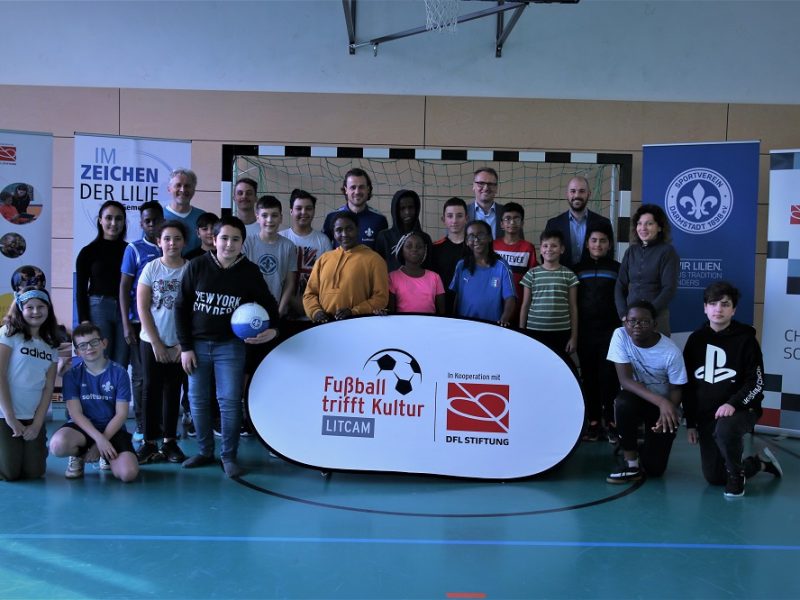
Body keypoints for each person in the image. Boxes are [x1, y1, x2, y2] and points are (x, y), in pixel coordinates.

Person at [175, 216, 280, 478]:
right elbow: (180, 307)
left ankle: (229, 456)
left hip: (230, 347)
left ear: (243, 242)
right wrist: (185, 347)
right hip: (197, 346)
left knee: (229, 402)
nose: (229, 244)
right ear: (213, 238)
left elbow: (270, 305)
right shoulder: (196, 266)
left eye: (235, 239)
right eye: (224, 238)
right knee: (197, 401)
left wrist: (273, 330)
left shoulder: (250, 271)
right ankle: (204, 451)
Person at [683, 281, 783, 497]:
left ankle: (737, 480)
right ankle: (759, 464)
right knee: (714, 477)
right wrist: (691, 422)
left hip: (741, 410)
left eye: (725, 304)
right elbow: (688, 386)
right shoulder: (695, 340)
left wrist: (733, 403)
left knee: (726, 429)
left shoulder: (746, 339)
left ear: (734, 310)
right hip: (707, 415)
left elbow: (756, 382)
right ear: (705, 308)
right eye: (713, 303)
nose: (718, 309)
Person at [605, 301, 687, 484]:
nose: (636, 326)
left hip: (664, 407)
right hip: (640, 399)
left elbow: (677, 389)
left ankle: (642, 446)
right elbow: (625, 381)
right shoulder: (620, 336)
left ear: (654, 325)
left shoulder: (671, 352)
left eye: (644, 322)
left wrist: (667, 408)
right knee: (623, 402)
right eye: (632, 321)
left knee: (654, 470)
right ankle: (631, 463)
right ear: (625, 322)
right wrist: (661, 402)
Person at [49, 323, 139, 483]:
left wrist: (101, 443)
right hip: (82, 428)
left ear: (104, 343)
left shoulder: (119, 373)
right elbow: (75, 414)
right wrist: (99, 440)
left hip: (113, 429)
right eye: (83, 345)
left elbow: (122, 414)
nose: (89, 348)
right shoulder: (72, 375)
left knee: (128, 474)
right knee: (57, 445)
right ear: (77, 352)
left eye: (94, 342)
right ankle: (78, 456)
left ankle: (106, 456)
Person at [136, 221, 190, 465]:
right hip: (151, 342)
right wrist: (156, 343)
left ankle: (169, 441)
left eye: (177, 238)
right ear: (159, 242)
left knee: (173, 391)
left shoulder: (191, 270)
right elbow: (143, 307)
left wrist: (181, 345)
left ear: (184, 242)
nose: (172, 243)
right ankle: (149, 442)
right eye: (167, 238)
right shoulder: (151, 268)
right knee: (151, 389)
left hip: (179, 343)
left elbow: (194, 310)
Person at [0, 288, 59, 481]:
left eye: (41, 306)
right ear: (20, 309)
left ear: (48, 309)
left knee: (34, 472)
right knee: (9, 473)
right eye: (30, 307)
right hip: (4, 415)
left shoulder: (51, 343)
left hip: (31, 417)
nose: (36, 312)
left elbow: (49, 386)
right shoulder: (8, 334)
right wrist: (10, 418)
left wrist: (37, 423)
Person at [119, 200, 164, 439]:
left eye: (157, 220)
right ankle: (142, 425)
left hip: (165, 324)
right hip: (138, 324)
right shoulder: (134, 249)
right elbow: (124, 287)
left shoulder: (169, 246)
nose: (153, 225)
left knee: (162, 377)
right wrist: (127, 324)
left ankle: (163, 427)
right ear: (141, 223)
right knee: (140, 376)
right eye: (148, 221)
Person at [573, 223, 621, 442]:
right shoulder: (577, 269)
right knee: (589, 377)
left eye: (602, 241)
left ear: (609, 244)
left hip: (610, 332)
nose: (598, 244)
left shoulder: (617, 268)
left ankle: (611, 421)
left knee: (609, 376)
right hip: (584, 331)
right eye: (594, 240)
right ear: (586, 244)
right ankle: (593, 422)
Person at [304, 211, 389, 323]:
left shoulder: (375, 260)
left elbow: (381, 298)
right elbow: (309, 294)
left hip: (359, 325)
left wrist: (354, 312)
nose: (344, 234)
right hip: (323, 327)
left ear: (357, 229)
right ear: (333, 234)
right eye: (339, 230)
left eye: (349, 229)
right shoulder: (323, 259)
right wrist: (316, 312)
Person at [75, 200, 129, 366]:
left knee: (121, 362)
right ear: (100, 220)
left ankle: (117, 393)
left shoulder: (130, 250)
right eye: (109, 218)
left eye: (119, 219)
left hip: (125, 310)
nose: (114, 223)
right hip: (98, 308)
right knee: (100, 361)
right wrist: (84, 320)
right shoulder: (88, 251)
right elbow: (81, 290)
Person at [615, 204, 679, 335]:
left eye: (649, 224)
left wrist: (648, 314)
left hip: (656, 318)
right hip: (630, 320)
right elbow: (620, 285)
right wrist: (623, 314)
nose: (643, 228)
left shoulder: (667, 252)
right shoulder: (631, 251)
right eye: (639, 223)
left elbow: (669, 289)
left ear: (659, 227)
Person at [519, 229, 579, 361]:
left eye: (554, 246)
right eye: (545, 246)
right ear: (540, 249)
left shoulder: (569, 275)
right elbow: (525, 305)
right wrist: (522, 333)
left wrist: (574, 337)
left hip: (561, 332)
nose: (549, 249)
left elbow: (573, 307)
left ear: (562, 249)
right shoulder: (531, 274)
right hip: (535, 331)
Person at [450, 220, 516, 327]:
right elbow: (456, 296)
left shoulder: (501, 266)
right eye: (471, 236)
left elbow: (510, 297)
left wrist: (504, 318)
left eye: (480, 235)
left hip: (492, 326)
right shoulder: (461, 266)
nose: (476, 240)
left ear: (490, 238)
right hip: (464, 325)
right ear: (466, 241)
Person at [279, 189, 332, 320]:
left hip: (313, 313)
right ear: (291, 211)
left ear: (314, 211)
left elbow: (327, 279)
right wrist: (290, 301)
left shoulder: (323, 240)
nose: (304, 212)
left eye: (308, 208)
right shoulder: (281, 238)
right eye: (299, 208)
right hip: (282, 312)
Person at [242, 195, 298, 318]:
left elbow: (290, 282)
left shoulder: (288, 246)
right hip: (249, 311)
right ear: (257, 217)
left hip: (276, 310)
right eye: (264, 215)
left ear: (281, 218)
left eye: (274, 215)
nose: (269, 220)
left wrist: (280, 310)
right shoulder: (247, 244)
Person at [545, 176, 614, 267]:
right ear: (567, 194)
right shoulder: (553, 224)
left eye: (582, 191)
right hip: (562, 278)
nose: (577, 195)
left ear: (589, 194)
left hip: (591, 278)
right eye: (573, 191)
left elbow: (609, 254)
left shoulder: (604, 222)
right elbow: (546, 255)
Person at [322, 168, 388, 249]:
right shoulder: (332, 217)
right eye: (353, 187)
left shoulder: (379, 219)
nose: (357, 192)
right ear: (346, 190)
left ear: (368, 189)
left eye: (361, 187)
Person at [375, 189, 433, 273]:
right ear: (395, 211)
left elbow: (429, 269)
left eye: (411, 207)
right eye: (402, 208)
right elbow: (377, 268)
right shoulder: (384, 237)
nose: (407, 212)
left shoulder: (425, 238)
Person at [388, 232, 445, 315]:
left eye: (419, 247)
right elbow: (391, 312)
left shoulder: (435, 277)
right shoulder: (393, 277)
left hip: (429, 326)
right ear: (402, 250)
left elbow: (442, 313)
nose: (414, 249)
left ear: (425, 250)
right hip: (402, 326)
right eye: (409, 246)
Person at [431, 197, 469, 315]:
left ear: (466, 218)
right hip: (442, 305)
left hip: (467, 305)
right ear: (443, 219)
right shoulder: (435, 248)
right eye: (450, 216)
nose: (454, 220)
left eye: (459, 216)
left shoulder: (474, 249)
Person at [493, 202, 537, 301]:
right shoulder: (493, 246)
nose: (512, 222)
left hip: (520, 300)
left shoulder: (528, 248)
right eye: (507, 219)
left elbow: (531, 279)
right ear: (501, 224)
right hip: (495, 300)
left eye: (516, 218)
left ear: (522, 223)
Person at [164, 168, 205, 255]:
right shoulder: (158, 216)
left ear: (194, 190)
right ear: (169, 189)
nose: (182, 190)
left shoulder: (202, 217)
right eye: (178, 185)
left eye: (187, 186)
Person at [466, 167, 505, 239]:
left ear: (496, 188)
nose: (486, 188)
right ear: (473, 186)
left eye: (490, 184)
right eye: (481, 183)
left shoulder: (506, 212)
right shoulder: (462, 212)